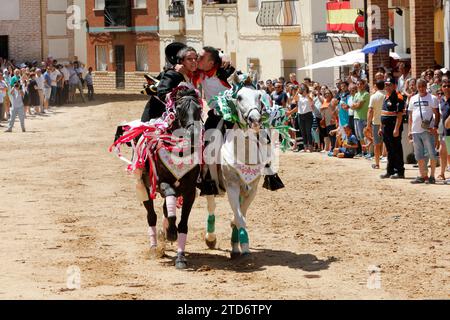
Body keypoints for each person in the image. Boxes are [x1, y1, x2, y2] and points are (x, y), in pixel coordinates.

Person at [408, 78, 440, 184]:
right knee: (419, 155)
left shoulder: (432, 98)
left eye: (423, 86)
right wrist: (409, 131)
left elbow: (437, 113)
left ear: (426, 86)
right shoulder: (412, 99)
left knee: (431, 153)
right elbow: (410, 116)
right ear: (416, 87)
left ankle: (432, 176)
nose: (421, 88)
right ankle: (423, 175)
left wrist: (435, 127)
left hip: (428, 130)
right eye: (419, 86)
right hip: (416, 131)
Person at [379, 77, 405, 179]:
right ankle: (390, 170)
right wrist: (381, 127)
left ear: (394, 85)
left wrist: (396, 128)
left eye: (389, 84)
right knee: (390, 150)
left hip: (393, 127)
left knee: (396, 149)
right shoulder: (386, 96)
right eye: (386, 84)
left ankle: (400, 172)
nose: (387, 86)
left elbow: (399, 115)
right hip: (386, 128)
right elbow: (383, 113)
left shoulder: (398, 97)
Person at [366, 80, 386, 169]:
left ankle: (377, 164)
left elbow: (370, 111)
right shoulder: (387, 95)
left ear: (376, 86)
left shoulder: (373, 96)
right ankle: (390, 163)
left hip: (376, 122)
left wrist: (368, 124)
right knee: (388, 143)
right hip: (387, 122)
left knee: (376, 144)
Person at [351, 79, 370, 157]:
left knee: (365, 135)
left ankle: (368, 152)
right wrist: (356, 105)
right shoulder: (356, 94)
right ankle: (364, 151)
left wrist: (355, 105)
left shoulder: (366, 94)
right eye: (358, 84)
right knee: (359, 136)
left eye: (360, 84)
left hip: (363, 117)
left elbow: (359, 106)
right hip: (356, 116)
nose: (359, 85)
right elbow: (352, 106)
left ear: (364, 84)